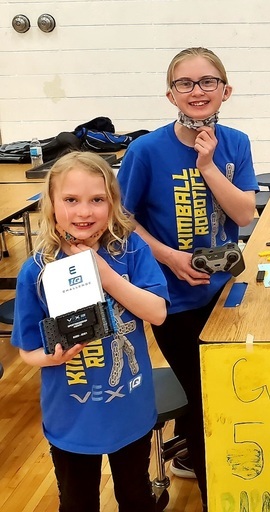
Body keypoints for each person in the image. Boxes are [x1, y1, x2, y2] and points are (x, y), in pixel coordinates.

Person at [117, 47, 258, 508]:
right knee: (203, 397)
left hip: (224, 292)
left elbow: (244, 214)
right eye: (185, 84)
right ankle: (213, 492)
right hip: (172, 298)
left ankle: (197, 457)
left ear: (225, 90)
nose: (197, 91)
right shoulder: (145, 151)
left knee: (221, 385)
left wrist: (208, 167)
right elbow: (122, 219)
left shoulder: (236, 142)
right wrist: (169, 257)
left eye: (207, 82)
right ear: (170, 94)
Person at [12, 151, 169, 512]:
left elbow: (157, 313)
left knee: (136, 496)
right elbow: (27, 351)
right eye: (71, 200)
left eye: (97, 199)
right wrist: (52, 357)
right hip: (71, 417)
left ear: (112, 202)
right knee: (78, 502)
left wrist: (104, 274)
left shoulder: (131, 249)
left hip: (130, 407)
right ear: (51, 204)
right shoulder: (37, 270)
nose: (84, 212)